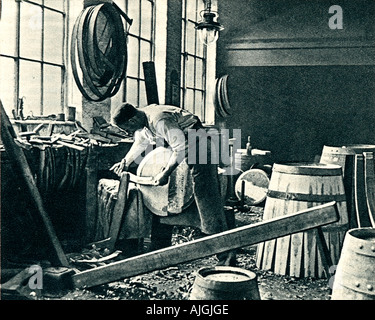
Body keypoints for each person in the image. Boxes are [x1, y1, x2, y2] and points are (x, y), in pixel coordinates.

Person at [110, 103, 236, 266]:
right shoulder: (143, 120)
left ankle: (226, 258)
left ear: (133, 119)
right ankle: (161, 249)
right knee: (165, 201)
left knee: (207, 202)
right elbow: (140, 143)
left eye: (126, 128)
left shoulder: (159, 120)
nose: (126, 132)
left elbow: (180, 148)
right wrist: (125, 162)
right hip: (183, 146)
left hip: (200, 147)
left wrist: (165, 173)